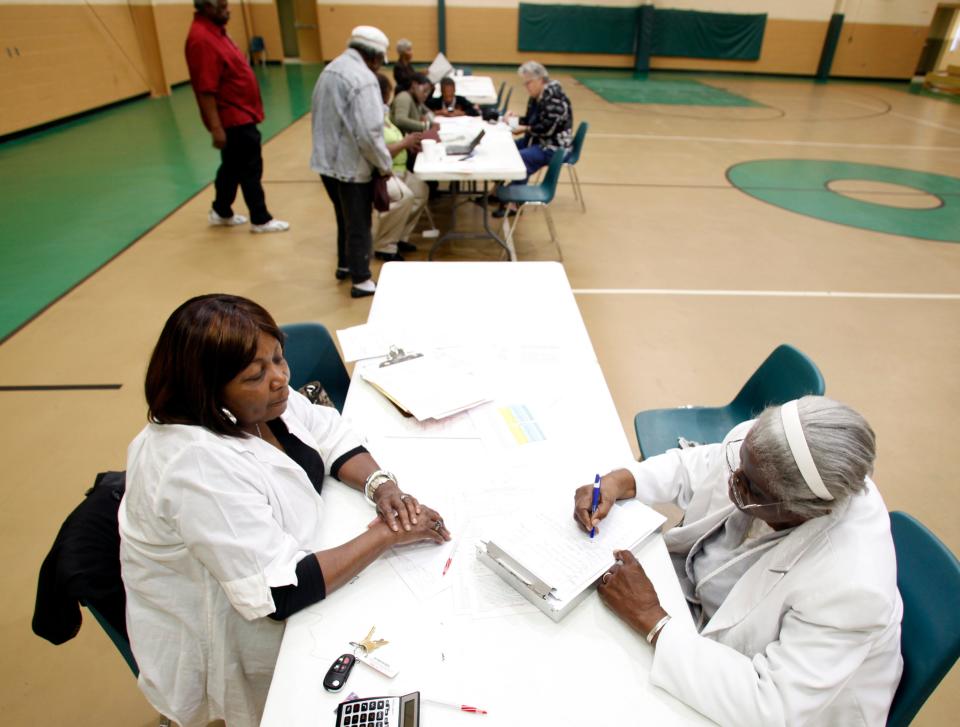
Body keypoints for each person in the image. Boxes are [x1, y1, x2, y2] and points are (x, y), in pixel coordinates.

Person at [119, 294, 451, 727]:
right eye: (256, 373)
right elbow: (280, 592)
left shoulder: (257, 400)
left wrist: (380, 485)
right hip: (233, 625)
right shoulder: (195, 466)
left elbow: (327, 431)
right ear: (208, 388)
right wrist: (388, 533)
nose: (279, 378)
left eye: (278, 358)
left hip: (293, 556)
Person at [573, 396, 902, 726]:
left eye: (753, 490)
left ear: (802, 511)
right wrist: (625, 480)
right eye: (739, 465)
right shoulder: (768, 453)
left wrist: (651, 618)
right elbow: (701, 464)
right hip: (697, 615)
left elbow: (769, 707)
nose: (734, 480)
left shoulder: (851, 586)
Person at [185, 0, 289, 233]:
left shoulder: (216, 32)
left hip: (240, 113)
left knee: (231, 166)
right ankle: (260, 219)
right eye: (222, 6)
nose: (228, 9)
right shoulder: (201, 39)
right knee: (250, 166)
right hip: (233, 117)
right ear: (206, 8)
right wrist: (216, 127)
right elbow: (205, 88)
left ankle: (221, 210)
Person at [311, 26, 393, 298]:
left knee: (343, 217)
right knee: (359, 222)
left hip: (326, 163)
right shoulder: (364, 79)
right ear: (375, 57)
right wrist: (384, 164)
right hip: (352, 167)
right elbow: (369, 134)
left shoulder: (330, 70)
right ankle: (361, 279)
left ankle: (344, 264)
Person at [495, 61, 573, 218]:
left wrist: (526, 128)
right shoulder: (536, 97)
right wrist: (513, 120)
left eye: (528, 82)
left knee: (522, 158)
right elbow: (531, 121)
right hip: (538, 140)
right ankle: (497, 191)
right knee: (505, 149)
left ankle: (514, 203)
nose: (526, 86)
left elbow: (547, 128)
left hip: (554, 147)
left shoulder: (554, 99)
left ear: (540, 79)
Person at [373, 74, 429, 261]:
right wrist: (405, 143)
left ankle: (399, 236)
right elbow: (378, 151)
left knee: (421, 191)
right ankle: (385, 246)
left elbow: (394, 139)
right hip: (383, 173)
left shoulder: (384, 113)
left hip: (400, 168)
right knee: (405, 197)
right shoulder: (372, 117)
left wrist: (409, 145)